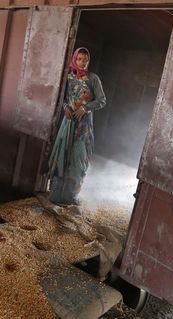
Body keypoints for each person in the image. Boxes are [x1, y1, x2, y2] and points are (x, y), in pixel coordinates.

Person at [48, 47, 106, 206]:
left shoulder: (93, 79)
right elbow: (63, 97)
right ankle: (55, 195)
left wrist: (85, 108)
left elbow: (102, 100)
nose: (82, 63)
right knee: (63, 154)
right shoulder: (69, 77)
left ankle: (69, 197)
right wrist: (65, 107)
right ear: (75, 59)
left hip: (84, 126)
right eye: (79, 59)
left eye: (85, 60)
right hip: (68, 123)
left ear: (89, 61)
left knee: (78, 157)